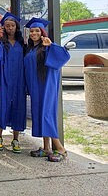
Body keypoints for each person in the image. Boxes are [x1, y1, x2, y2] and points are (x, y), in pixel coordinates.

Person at [24, 17, 70, 162]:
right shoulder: (31, 48)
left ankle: (60, 148)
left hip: (46, 86)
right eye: (31, 31)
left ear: (42, 32)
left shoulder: (47, 46)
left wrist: (51, 46)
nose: (33, 33)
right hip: (36, 87)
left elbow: (63, 56)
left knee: (47, 115)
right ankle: (46, 148)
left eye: (37, 30)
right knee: (39, 114)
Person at [0, 12, 26, 153]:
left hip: (19, 80)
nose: (10, 28)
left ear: (16, 27)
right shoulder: (1, 42)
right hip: (3, 79)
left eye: (12, 25)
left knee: (18, 107)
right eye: (7, 25)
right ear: (3, 27)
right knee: (2, 106)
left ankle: (15, 139)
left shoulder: (22, 43)